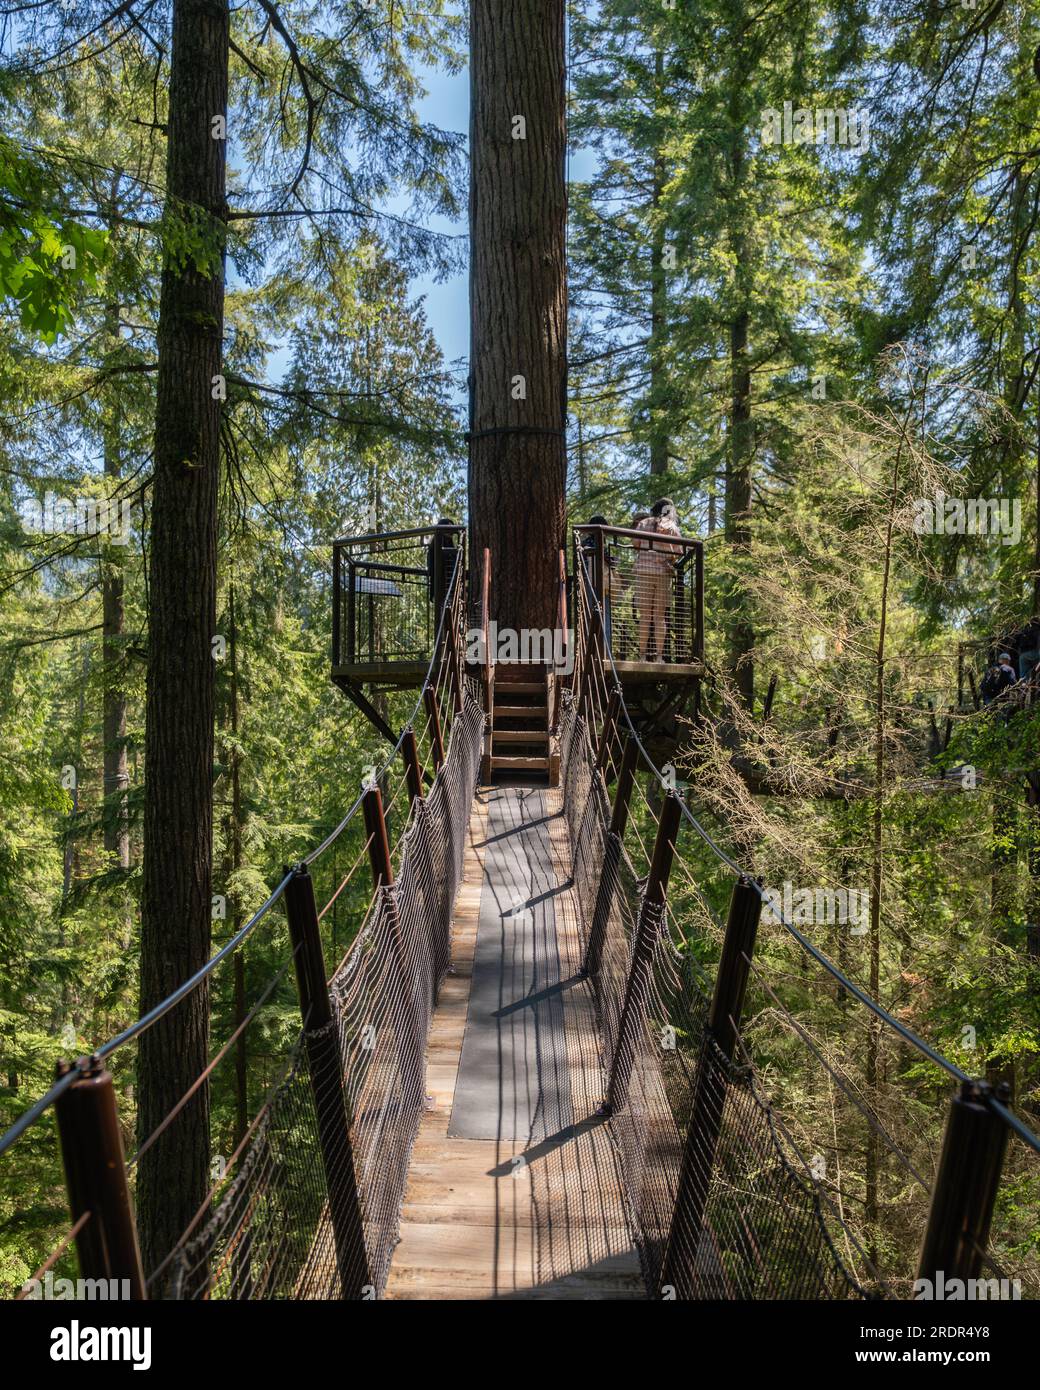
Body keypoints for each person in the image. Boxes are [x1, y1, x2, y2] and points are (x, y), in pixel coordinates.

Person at [634, 498, 683, 661]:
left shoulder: (643, 523)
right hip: (662, 573)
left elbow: (636, 544)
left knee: (645, 616)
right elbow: (678, 552)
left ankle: (642, 656)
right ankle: (659, 657)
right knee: (659, 617)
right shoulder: (671, 527)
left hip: (643, 572)